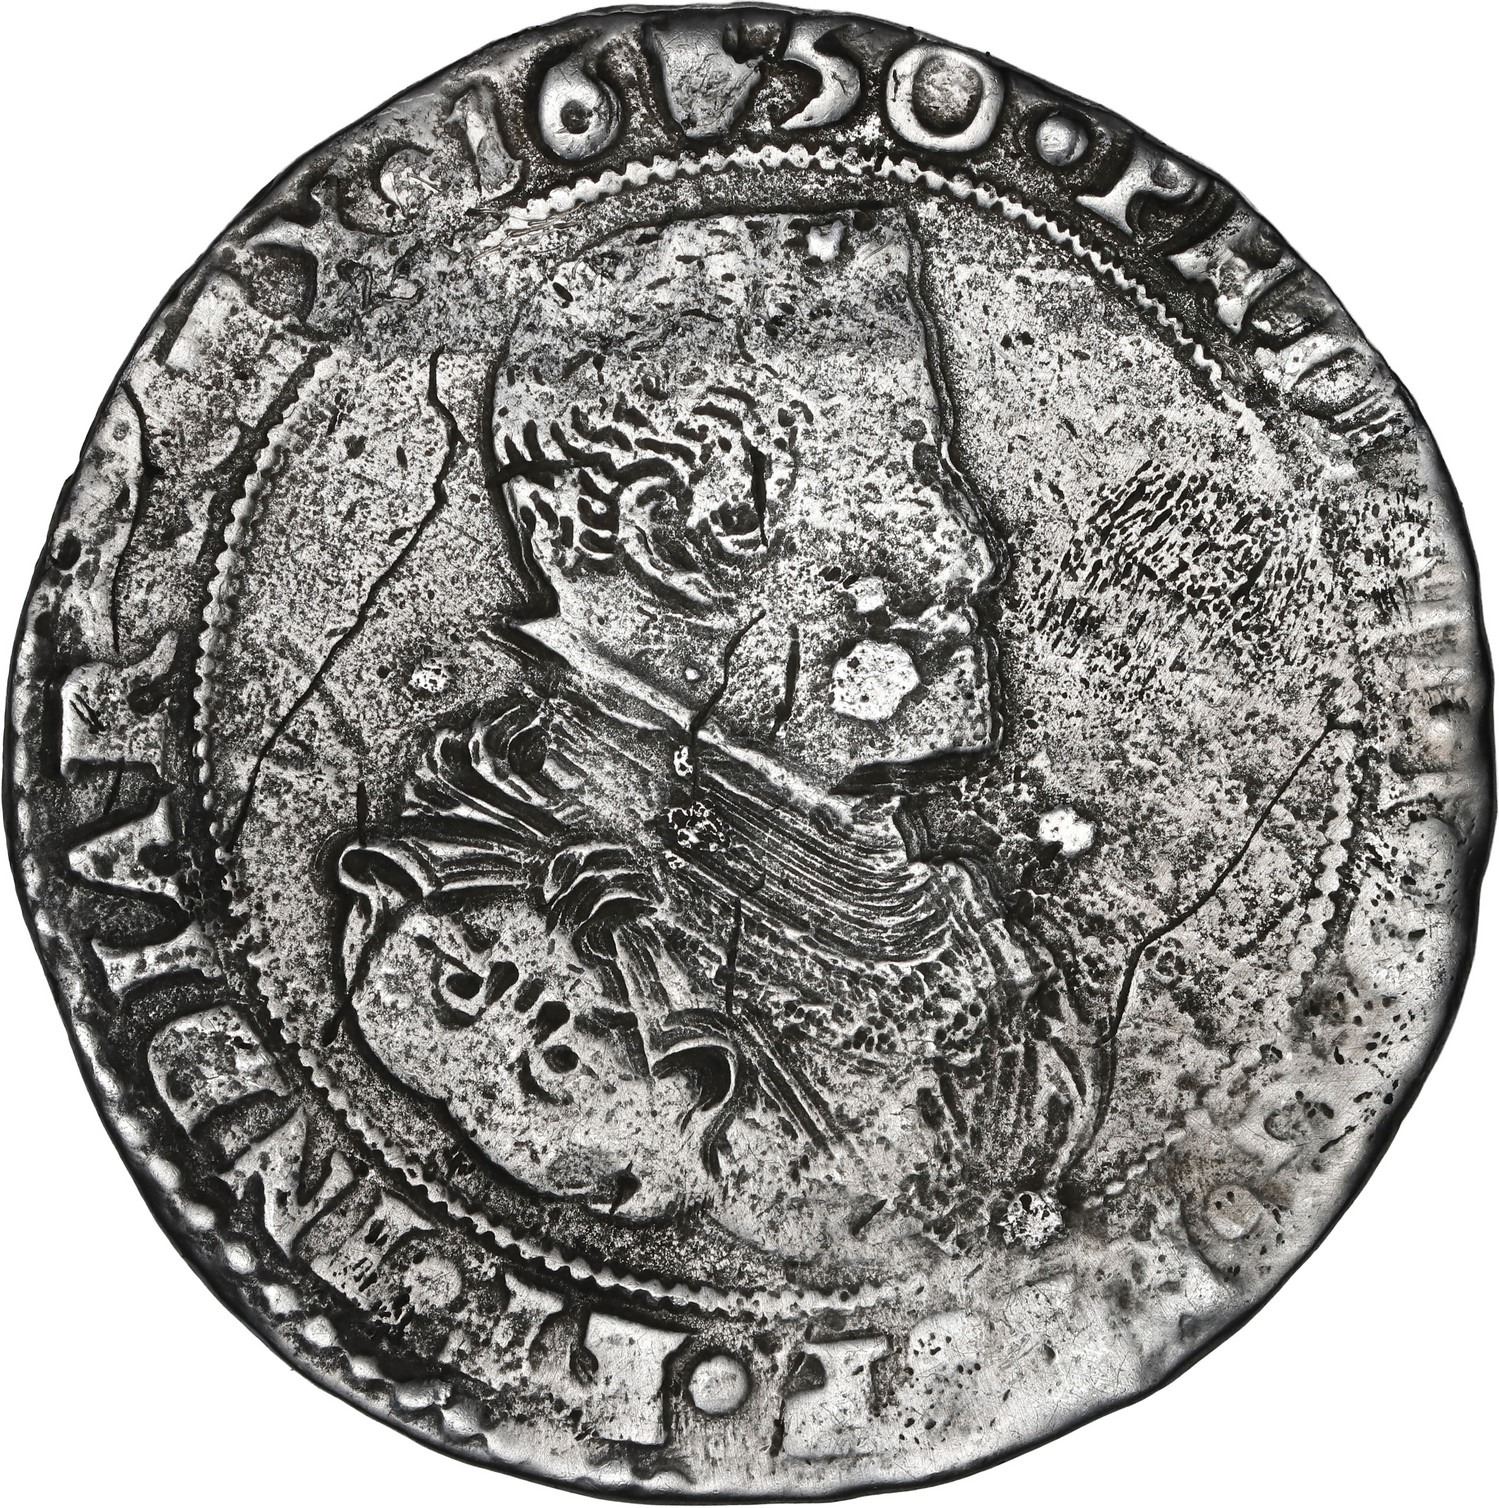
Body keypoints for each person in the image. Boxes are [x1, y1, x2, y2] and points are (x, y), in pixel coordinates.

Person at [333, 209, 1105, 1264]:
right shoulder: (477, 934)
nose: (969, 543)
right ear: (671, 533)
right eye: (908, 465)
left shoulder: (909, 913)